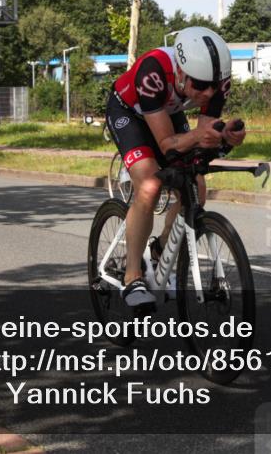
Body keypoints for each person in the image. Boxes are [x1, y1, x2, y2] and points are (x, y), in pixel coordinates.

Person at [105, 27, 245, 307]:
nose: (207, 93)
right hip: (129, 113)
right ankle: (133, 277)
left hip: (166, 111)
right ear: (180, 72)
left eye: (213, 87)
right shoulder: (153, 71)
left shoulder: (217, 81)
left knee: (197, 186)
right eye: (200, 85)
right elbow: (168, 144)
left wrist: (224, 139)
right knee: (149, 184)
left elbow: (202, 139)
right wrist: (195, 138)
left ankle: (159, 250)